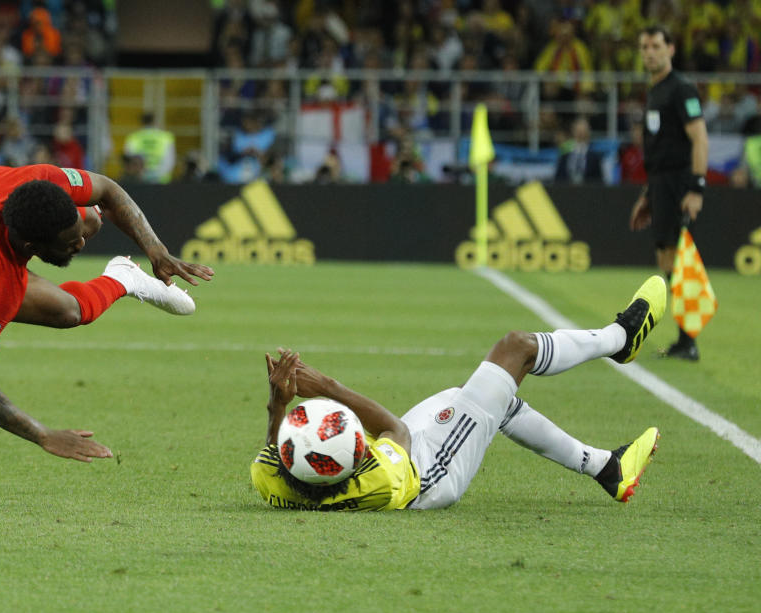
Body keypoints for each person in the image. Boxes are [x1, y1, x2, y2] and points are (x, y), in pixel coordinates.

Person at [0, 154, 214, 462]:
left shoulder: (41, 179)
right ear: (31, 248)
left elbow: (108, 190)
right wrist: (42, 434)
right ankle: (123, 278)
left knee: (90, 219)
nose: (82, 244)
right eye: (69, 243)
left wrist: (155, 249)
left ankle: (122, 267)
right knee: (68, 313)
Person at [251, 276, 666, 511]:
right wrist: (326, 387)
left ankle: (605, 468)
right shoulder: (379, 477)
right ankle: (621, 338)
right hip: (431, 474)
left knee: (479, 397)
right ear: (359, 452)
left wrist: (279, 405)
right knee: (514, 349)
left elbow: (273, 451)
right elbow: (395, 431)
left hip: (405, 458)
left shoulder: (272, 476)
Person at [629, 25, 709, 362]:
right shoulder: (655, 91)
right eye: (644, 46)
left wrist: (696, 187)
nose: (649, 52)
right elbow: (660, 147)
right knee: (666, 257)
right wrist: (649, 194)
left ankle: (688, 340)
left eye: (656, 46)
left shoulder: (681, 90)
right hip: (661, 184)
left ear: (671, 49)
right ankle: (684, 337)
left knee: (677, 258)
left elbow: (700, 139)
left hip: (678, 183)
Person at [123, 113, 176, 184]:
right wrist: (157, 175)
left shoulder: (134, 137)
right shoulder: (165, 137)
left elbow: (129, 160)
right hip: (162, 182)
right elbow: (170, 161)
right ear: (155, 122)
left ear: (142, 122)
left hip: (139, 181)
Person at [555, 117, 604, 184]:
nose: (581, 134)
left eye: (583, 131)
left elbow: (599, 181)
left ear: (588, 132)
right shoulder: (564, 156)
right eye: (578, 131)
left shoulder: (594, 157)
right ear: (573, 132)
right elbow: (558, 179)